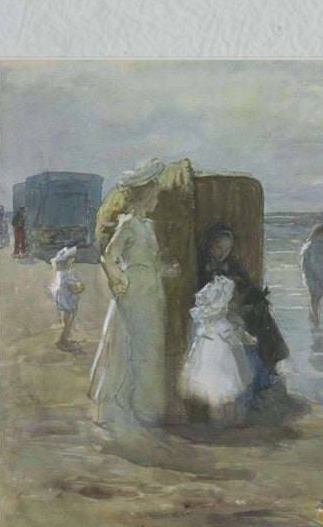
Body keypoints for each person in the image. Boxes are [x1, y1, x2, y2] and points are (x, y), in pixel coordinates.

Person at [90, 169, 169, 426]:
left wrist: (166, 270)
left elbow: (150, 259)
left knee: (151, 346)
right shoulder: (128, 224)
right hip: (135, 292)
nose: (156, 200)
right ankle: (131, 404)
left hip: (152, 289)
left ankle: (146, 404)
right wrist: (119, 280)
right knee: (135, 345)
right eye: (153, 195)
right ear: (142, 196)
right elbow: (108, 256)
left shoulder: (149, 225)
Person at [197, 227, 289, 391]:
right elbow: (209, 295)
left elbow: (246, 283)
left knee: (263, 314)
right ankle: (264, 371)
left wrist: (258, 295)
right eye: (218, 248)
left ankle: (272, 361)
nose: (222, 253)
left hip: (236, 305)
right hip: (220, 310)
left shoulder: (230, 262)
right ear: (211, 245)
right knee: (252, 320)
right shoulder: (206, 265)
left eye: (227, 249)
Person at [178, 275, 256, 425]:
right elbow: (234, 335)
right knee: (228, 390)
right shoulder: (221, 323)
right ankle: (228, 419)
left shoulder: (205, 324)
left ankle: (217, 418)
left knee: (212, 389)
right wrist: (249, 339)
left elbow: (197, 341)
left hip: (207, 360)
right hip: (221, 361)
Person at [49, 246, 85, 350]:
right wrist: (80, 288)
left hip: (65, 301)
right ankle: (64, 342)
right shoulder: (67, 274)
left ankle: (64, 340)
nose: (73, 261)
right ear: (67, 261)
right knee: (68, 324)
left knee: (67, 323)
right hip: (67, 302)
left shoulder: (60, 273)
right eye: (71, 259)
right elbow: (72, 288)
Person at [300, 222, 323, 326]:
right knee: (314, 295)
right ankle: (315, 316)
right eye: (322, 234)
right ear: (316, 233)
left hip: (322, 274)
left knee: (318, 296)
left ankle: (313, 313)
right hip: (311, 275)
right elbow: (304, 262)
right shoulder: (308, 246)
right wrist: (307, 272)